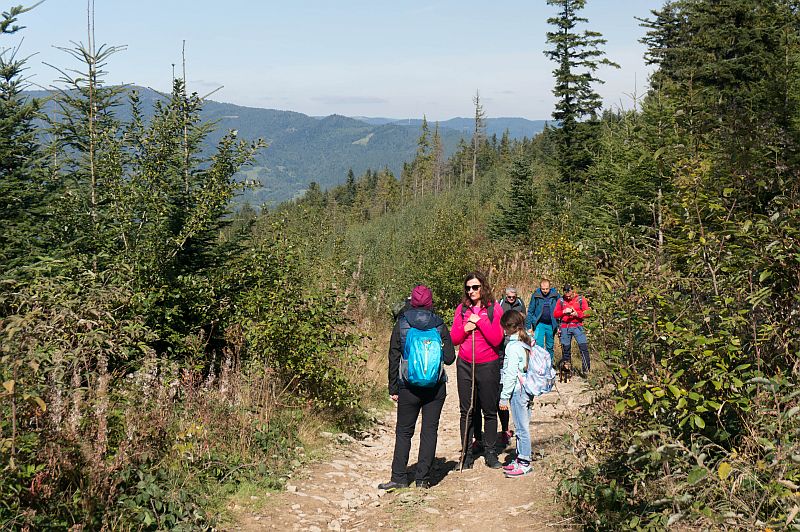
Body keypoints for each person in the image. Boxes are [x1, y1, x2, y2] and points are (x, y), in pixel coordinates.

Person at [379, 285, 456, 491]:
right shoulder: (439, 325)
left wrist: (393, 387)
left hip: (408, 388)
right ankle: (423, 479)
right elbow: (449, 358)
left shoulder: (402, 323)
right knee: (429, 431)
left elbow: (393, 357)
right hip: (435, 388)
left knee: (404, 432)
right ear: (430, 302)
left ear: (412, 301)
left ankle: (399, 477)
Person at [451, 272, 504, 470]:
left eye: (475, 287)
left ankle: (490, 453)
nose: (471, 291)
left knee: (489, 410)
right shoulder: (462, 309)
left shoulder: (494, 309)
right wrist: (466, 327)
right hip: (465, 364)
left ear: (483, 287)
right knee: (467, 411)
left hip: (488, 364)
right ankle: (466, 455)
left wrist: (480, 322)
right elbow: (454, 338)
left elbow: (496, 339)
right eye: (468, 288)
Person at [471, 286, 523, 451]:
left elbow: (499, 336)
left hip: (498, 360)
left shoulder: (496, 309)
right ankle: (478, 437)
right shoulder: (485, 311)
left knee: (500, 399)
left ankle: (505, 430)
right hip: (485, 360)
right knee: (478, 402)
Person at [498, 310, 535, 477]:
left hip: (518, 391)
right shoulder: (527, 341)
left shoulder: (513, 347)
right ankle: (521, 458)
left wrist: (504, 397)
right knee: (522, 426)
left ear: (508, 328)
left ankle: (525, 462)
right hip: (527, 388)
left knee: (521, 428)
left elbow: (510, 374)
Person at [553, 284, 591, 374]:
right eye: (567, 296)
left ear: (573, 291)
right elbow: (555, 314)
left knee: (583, 348)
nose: (568, 297)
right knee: (566, 350)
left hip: (578, 326)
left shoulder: (580, 299)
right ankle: (567, 371)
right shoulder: (561, 301)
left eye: (570, 295)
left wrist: (577, 314)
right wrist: (563, 312)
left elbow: (588, 313)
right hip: (565, 327)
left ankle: (586, 371)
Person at [525, 278, 560, 361]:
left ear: (550, 287)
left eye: (547, 289)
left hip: (551, 324)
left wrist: (559, 325)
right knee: (539, 346)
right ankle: (539, 366)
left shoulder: (555, 295)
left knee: (550, 346)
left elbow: (560, 310)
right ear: (540, 288)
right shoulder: (536, 295)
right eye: (543, 289)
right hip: (539, 324)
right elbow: (530, 311)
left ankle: (549, 365)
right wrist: (528, 326)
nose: (545, 291)